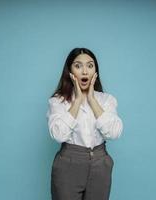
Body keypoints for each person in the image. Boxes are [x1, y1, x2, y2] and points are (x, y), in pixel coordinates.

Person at [46, 47, 123, 200]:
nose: (85, 71)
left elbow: (114, 132)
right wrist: (78, 101)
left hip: (100, 164)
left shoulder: (107, 100)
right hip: (68, 165)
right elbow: (58, 135)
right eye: (78, 66)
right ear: (70, 71)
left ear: (95, 71)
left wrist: (92, 100)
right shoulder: (58, 101)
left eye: (90, 65)